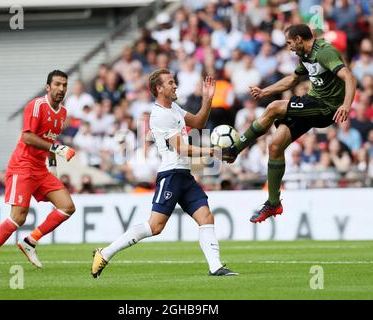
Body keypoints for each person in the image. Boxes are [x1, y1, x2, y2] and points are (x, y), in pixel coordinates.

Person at [91, 68, 237, 278]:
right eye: (170, 82)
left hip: (183, 174)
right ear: (159, 89)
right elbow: (182, 149)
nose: (175, 85)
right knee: (155, 226)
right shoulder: (160, 115)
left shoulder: (174, 107)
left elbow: (198, 123)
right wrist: (212, 151)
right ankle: (105, 253)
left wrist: (207, 99)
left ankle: (215, 267)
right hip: (171, 175)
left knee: (206, 216)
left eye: (174, 81)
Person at [229, 24, 356, 223]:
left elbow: (348, 76)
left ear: (298, 39)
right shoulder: (305, 55)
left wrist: (346, 105)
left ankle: (234, 149)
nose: (288, 47)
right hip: (312, 103)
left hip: (326, 108)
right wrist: (265, 91)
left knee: (273, 108)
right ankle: (273, 203)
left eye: (289, 42)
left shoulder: (324, 53)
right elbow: (292, 80)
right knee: (275, 144)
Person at [0, 70, 77, 273]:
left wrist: (54, 169)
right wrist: (58, 149)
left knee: (67, 207)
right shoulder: (36, 106)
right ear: (48, 87)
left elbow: (50, 142)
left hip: (40, 169)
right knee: (18, 217)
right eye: (57, 84)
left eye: (64, 85)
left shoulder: (62, 113)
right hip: (22, 166)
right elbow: (28, 137)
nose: (61, 89)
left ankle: (30, 241)